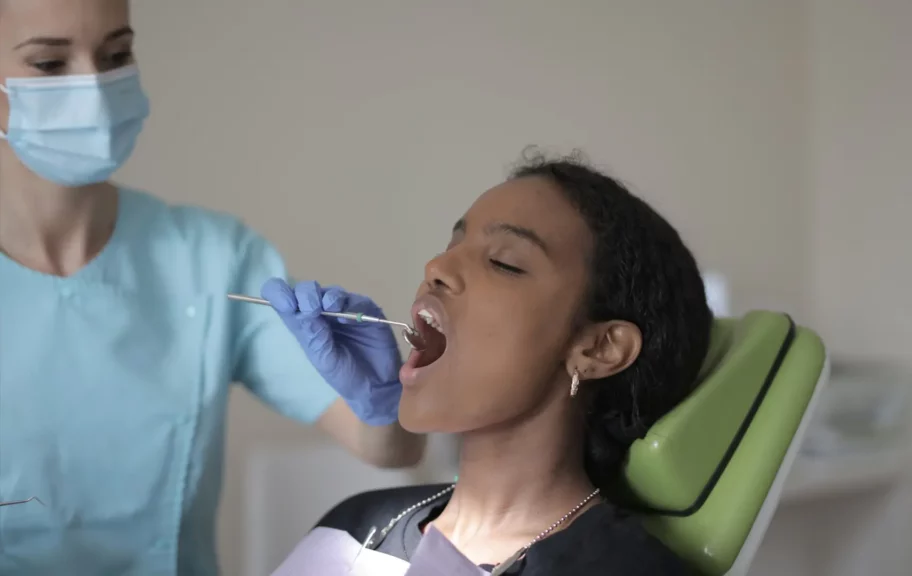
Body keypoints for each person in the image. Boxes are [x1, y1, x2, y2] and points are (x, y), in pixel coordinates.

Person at [0, 0, 422, 574]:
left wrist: (381, 403)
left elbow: (393, 451)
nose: (94, 89)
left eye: (116, 54)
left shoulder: (209, 257)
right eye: (50, 63)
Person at [275, 153, 713, 575]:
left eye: (504, 263)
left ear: (599, 348)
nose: (436, 267)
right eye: (452, 245)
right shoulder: (356, 522)